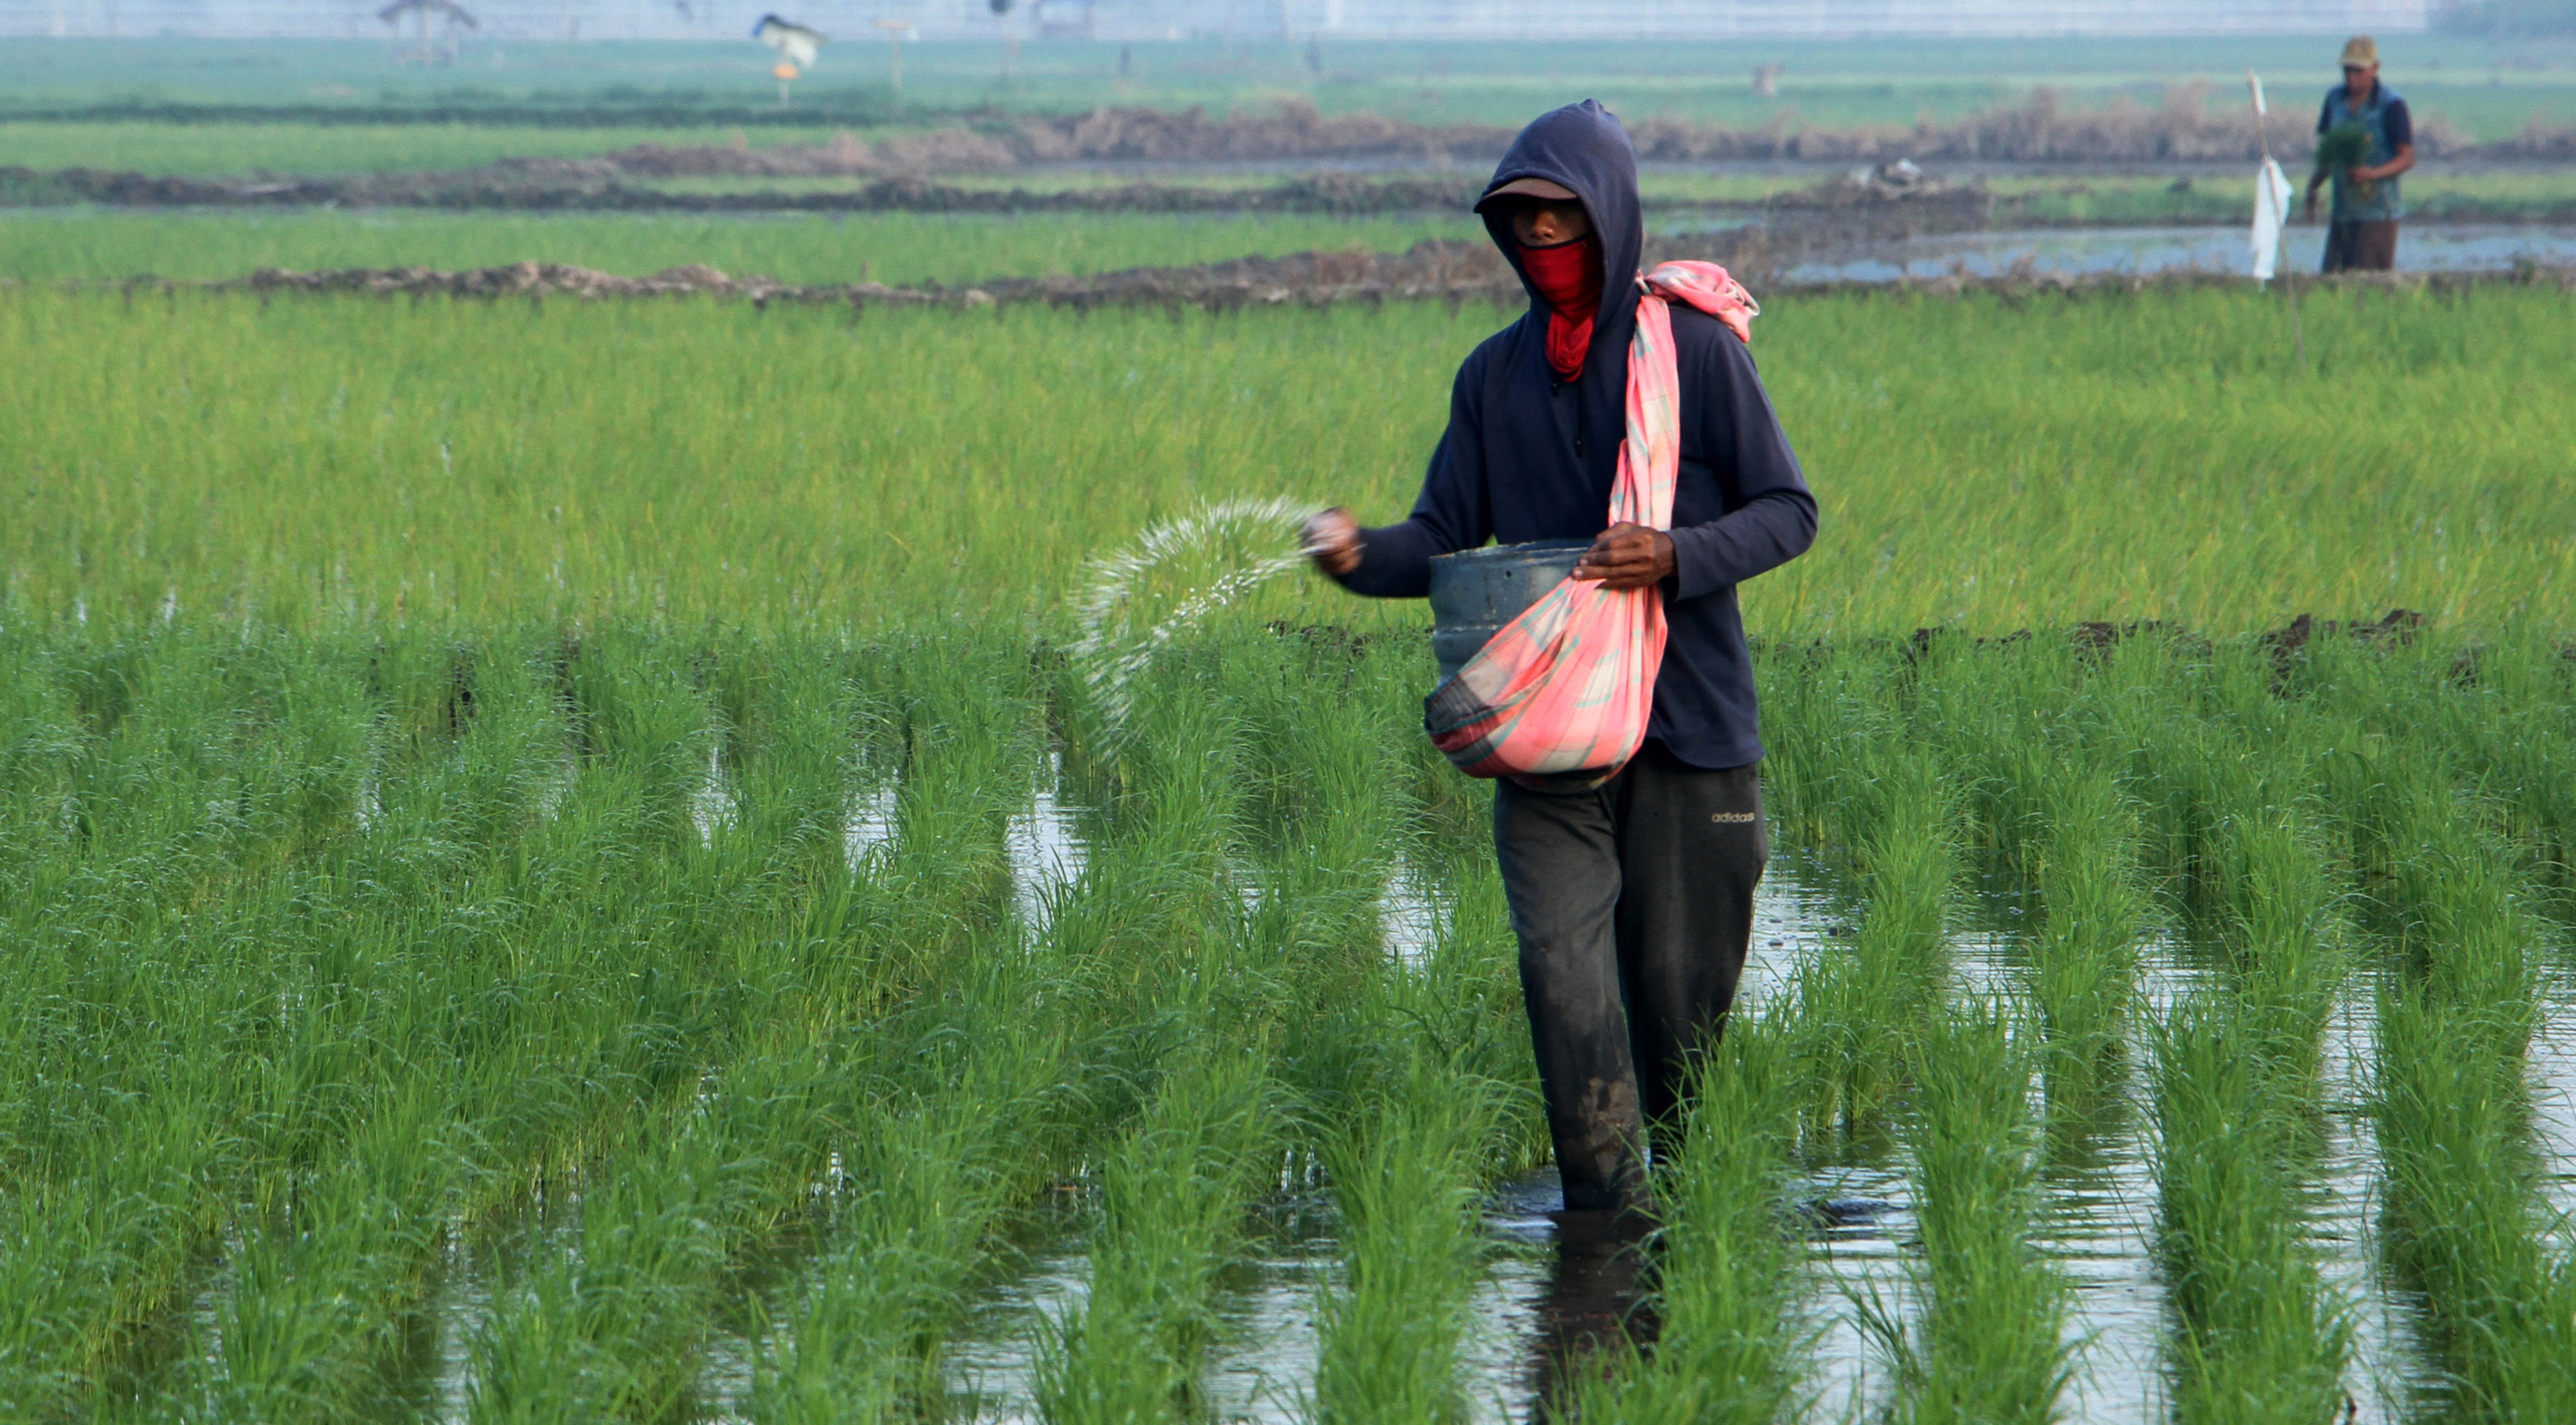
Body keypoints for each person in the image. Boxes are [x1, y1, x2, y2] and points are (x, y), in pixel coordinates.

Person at [1303, 100, 1815, 1216]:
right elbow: (1440, 534)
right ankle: (1602, 1214)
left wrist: (1675, 553)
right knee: (1558, 971)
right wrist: (1354, 555)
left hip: (1686, 732)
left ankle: (1688, 1232)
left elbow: (1790, 510)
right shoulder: (1494, 377)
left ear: (1612, 221)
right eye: (1522, 227)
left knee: (1679, 1014)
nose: (1543, 249)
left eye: (1562, 224)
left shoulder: (1692, 353)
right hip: (1548, 730)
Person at [2305, 35, 2415, 273]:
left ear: (2375, 69)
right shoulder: (2334, 99)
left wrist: (2372, 174)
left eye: (2358, 70)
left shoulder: (2392, 105)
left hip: (2378, 212)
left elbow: (2407, 158)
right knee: (2333, 281)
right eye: (2347, 70)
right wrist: (2313, 187)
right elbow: (2329, 153)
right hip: (2343, 210)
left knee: (2368, 284)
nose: (2352, 77)